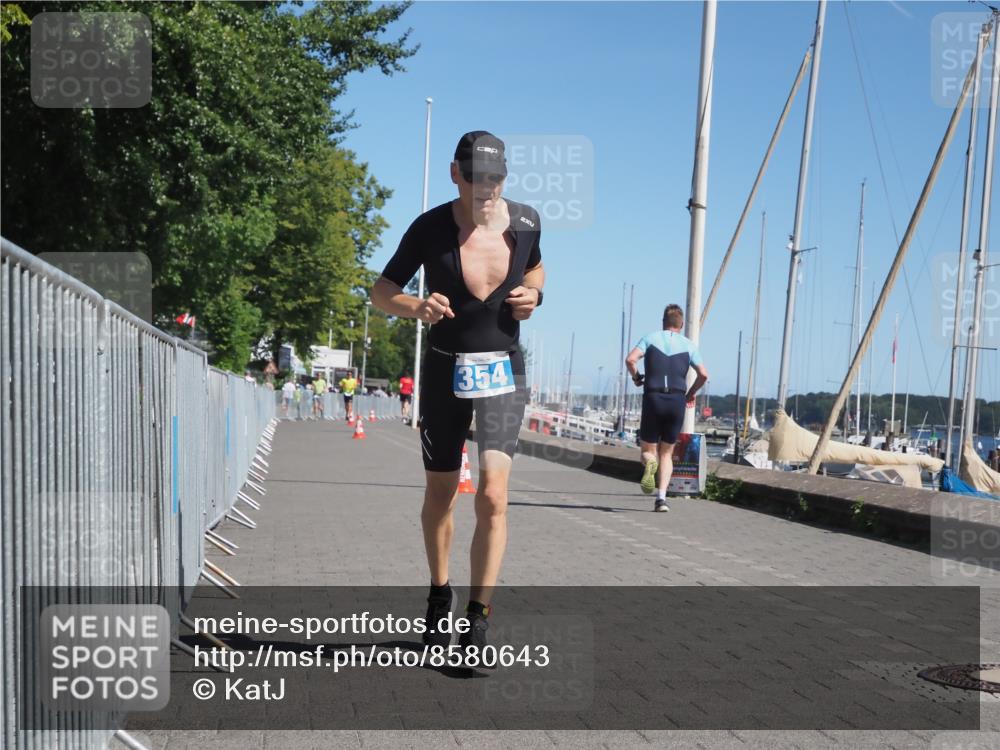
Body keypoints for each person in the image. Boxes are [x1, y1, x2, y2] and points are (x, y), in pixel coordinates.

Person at [371, 130, 544, 658]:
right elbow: (381, 292)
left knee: (493, 496)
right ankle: (439, 591)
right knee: (441, 496)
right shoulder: (429, 228)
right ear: (455, 174)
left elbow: (535, 270)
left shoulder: (526, 223)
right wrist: (415, 307)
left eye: (495, 179)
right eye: (475, 179)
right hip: (445, 374)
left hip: (502, 373)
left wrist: (533, 296)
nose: (485, 190)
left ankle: (478, 617)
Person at [625, 304, 709, 512]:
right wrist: (691, 393)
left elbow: (630, 359)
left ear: (663, 322)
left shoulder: (650, 338)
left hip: (654, 397)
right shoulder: (689, 345)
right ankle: (661, 499)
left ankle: (649, 464)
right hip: (677, 401)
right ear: (681, 324)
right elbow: (704, 375)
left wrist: (636, 377)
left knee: (648, 451)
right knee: (667, 452)